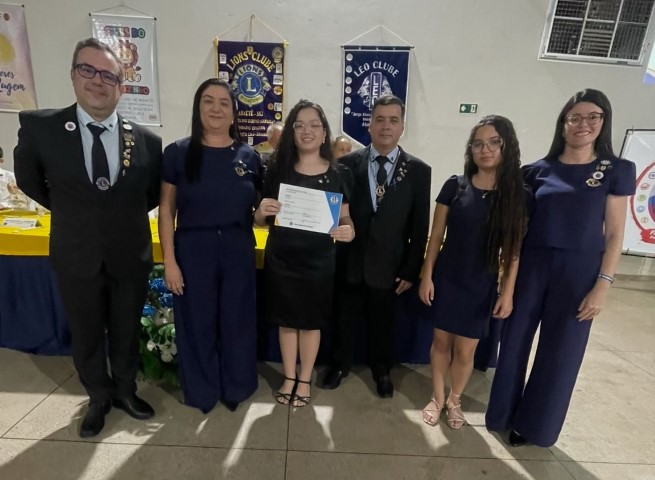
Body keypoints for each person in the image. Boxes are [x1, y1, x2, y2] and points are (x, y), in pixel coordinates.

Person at [14, 38, 162, 438]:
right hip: (76, 254)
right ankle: (98, 397)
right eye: (88, 70)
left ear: (121, 87)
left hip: (129, 254)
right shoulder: (42, 128)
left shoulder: (147, 141)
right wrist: (73, 212)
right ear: (73, 75)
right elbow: (29, 180)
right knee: (87, 333)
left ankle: (126, 391)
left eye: (109, 75)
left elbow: (148, 195)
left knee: (127, 331)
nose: (98, 81)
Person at [485, 89, 636, 447]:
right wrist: (508, 283)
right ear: (563, 123)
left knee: (561, 352)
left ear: (603, 121)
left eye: (592, 117)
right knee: (514, 342)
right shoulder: (535, 171)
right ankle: (502, 414)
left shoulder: (615, 170)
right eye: (575, 117)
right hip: (533, 267)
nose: (583, 124)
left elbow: (615, 234)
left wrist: (603, 284)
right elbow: (517, 231)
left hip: (580, 272)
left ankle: (534, 427)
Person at [158, 78, 261, 413]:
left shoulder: (250, 157)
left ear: (234, 113)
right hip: (193, 248)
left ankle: (236, 386)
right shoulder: (177, 153)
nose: (216, 108)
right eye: (208, 101)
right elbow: (166, 211)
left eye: (224, 103)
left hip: (237, 247)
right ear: (197, 107)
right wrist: (170, 262)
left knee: (237, 320)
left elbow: (258, 212)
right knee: (196, 322)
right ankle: (202, 391)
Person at [418, 115, 526, 429]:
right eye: (478, 144)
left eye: (493, 143)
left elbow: (513, 250)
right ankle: (438, 397)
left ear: (506, 146)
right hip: (447, 278)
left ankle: (455, 399)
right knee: (441, 343)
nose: (485, 150)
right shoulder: (455, 186)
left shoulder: (516, 195)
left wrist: (507, 292)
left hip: (482, 283)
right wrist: (427, 275)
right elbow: (435, 237)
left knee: (466, 351)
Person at [321, 95, 431, 398]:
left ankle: (381, 370)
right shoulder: (346, 164)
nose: (386, 126)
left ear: (402, 127)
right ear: (369, 125)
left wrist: (411, 268)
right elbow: (334, 212)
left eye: (393, 120)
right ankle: (339, 365)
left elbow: (420, 224)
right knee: (343, 317)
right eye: (379, 119)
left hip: (390, 264)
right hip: (349, 260)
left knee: (383, 322)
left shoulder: (419, 171)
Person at [254, 99, 354, 407]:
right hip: (282, 258)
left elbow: (346, 218)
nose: (307, 131)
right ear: (292, 132)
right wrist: (261, 212)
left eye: (314, 125)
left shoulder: (339, 173)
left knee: (311, 323)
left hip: (319, 261)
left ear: (324, 133)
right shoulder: (276, 169)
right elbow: (259, 220)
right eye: (300, 125)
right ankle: (289, 377)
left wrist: (349, 231)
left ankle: (305, 378)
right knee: (286, 321)